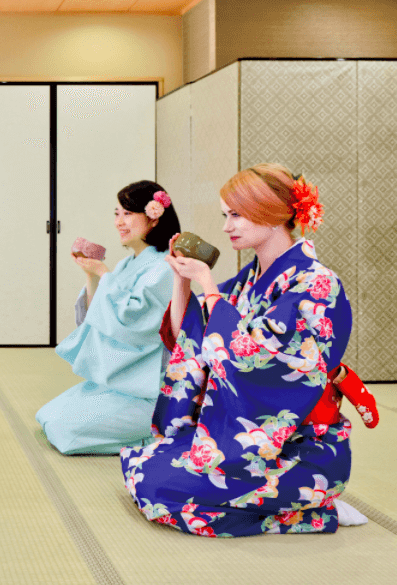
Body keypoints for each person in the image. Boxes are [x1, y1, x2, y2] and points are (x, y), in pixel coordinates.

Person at [121, 163, 364, 537]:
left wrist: (206, 281)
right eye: (225, 215)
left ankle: (317, 511)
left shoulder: (317, 283)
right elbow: (189, 340)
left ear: (269, 214)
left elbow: (248, 358)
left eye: (236, 215)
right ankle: (293, 505)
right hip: (248, 438)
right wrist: (182, 280)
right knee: (143, 466)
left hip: (298, 443)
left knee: (160, 490)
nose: (226, 226)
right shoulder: (250, 279)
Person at [36, 181, 180, 454]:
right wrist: (91, 274)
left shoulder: (165, 267)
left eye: (128, 214)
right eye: (117, 213)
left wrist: (104, 273)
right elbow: (96, 316)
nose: (119, 222)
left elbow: (133, 320)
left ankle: (153, 435)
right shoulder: (127, 264)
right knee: (48, 415)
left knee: (65, 430)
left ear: (154, 218)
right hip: (121, 381)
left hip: (149, 389)